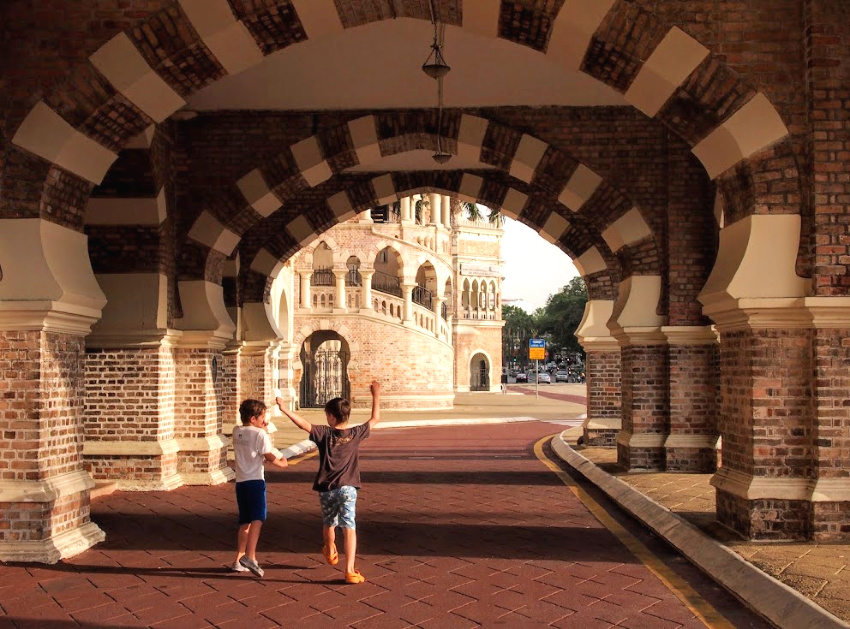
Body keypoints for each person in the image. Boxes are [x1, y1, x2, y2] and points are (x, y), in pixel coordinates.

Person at [276, 381, 381, 584]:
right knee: (349, 526)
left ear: (332, 416)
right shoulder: (356, 433)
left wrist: (285, 409)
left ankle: (330, 548)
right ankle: (350, 570)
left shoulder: (324, 434)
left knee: (329, 522)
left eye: (327, 414)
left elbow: (302, 424)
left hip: (326, 489)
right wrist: (376, 394)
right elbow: (375, 418)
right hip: (348, 487)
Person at [232, 399, 288, 578]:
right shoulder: (260, 435)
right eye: (262, 417)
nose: (265, 420)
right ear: (254, 418)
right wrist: (280, 462)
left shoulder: (236, 431)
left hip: (240, 481)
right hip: (255, 480)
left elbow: (253, 439)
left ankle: (238, 559)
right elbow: (268, 453)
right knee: (258, 518)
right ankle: (251, 556)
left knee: (244, 521)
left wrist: (262, 429)